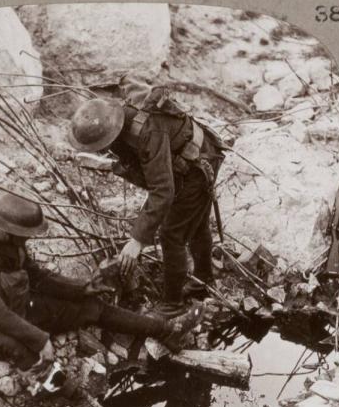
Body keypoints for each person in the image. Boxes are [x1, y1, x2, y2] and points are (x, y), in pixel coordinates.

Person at [0, 190, 201, 407]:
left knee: (92, 308)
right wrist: (39, 338)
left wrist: (83, 288)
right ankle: (78, 398)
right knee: (25, 351)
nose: (27, 239)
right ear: (4, 230)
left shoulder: (12, 245)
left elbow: (39, 279)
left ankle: (167, 331)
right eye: (23, 233)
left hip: (17, 309)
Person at [68, 79, 226, 315]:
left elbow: (163, 190)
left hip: (199, 165)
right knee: (196, 223)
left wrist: (137, 240)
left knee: (171, 234)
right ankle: (204, 281)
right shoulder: (120, 120)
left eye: (101, 146)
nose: (100, 151)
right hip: (188, 163)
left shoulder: (147, 131)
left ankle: (172, 304)